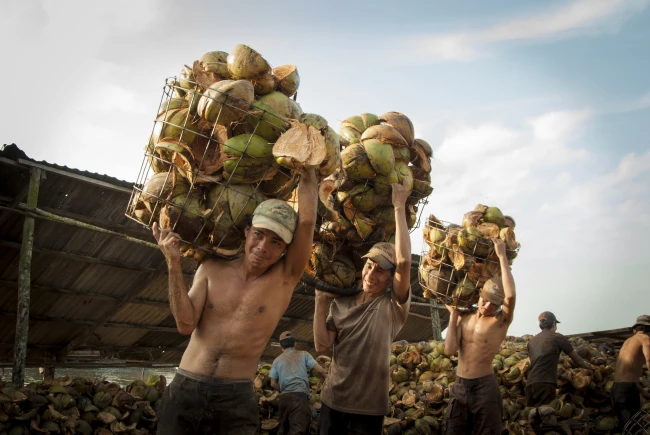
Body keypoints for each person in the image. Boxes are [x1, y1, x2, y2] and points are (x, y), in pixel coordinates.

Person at [153, 169, 318, 435]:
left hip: (236, 397)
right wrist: (173, 264)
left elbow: (307, 223)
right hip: (186, 387)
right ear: (246, 231)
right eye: (259, 234)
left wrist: (308, 170)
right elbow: (185, 324)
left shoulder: (284, 279)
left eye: (276, 242)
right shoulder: (211, 268)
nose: (264, 246)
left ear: (286, 249)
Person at [313, 180, 412, 435]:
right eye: (369, 266)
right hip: (332, 401)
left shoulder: (393, 305)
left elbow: (403, 262)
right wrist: (320, 302)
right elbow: (322, 345)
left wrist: (399, 206)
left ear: (391, 279)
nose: (371, 274)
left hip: (368, 410)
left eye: (380, 271)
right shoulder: (342, 302)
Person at [443, 238, 516, 435]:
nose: (487, 306)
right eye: (485, 300)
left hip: (485, 388)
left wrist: (502, 257)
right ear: (479, 294)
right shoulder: (465, 317)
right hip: (459, 386)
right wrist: (454, 317)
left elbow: (510, 296)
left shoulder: (500, 321)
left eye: (494, 304)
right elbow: (449, 350)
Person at [525, 311, 592, 407]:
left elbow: (536, 362)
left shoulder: (531, 341)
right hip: (545, 384)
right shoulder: (557, 337)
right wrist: (590, 367)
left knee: (532, 417)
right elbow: (577, 360)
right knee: (545, 417)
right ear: (553, 323)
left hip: (530, 384)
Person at [269, 330, 327, 435]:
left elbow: (272, 383)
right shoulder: (304, 355)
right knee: (297, 431)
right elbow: (320, 370)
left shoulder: (277, 360)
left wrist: (284, 390)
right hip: (299, 397)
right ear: (295, 344)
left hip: (284, 399)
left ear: (281, 347)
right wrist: (325, 380)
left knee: (283, 430)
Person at [611, 315, 650, 429]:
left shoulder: (627, 342)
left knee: (626, 427)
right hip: (627, 391)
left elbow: (628, 373)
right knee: (633, 429)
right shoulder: (645, 338)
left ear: (634, 330)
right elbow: (649, 359)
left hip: (616, 389)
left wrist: (642, 391)